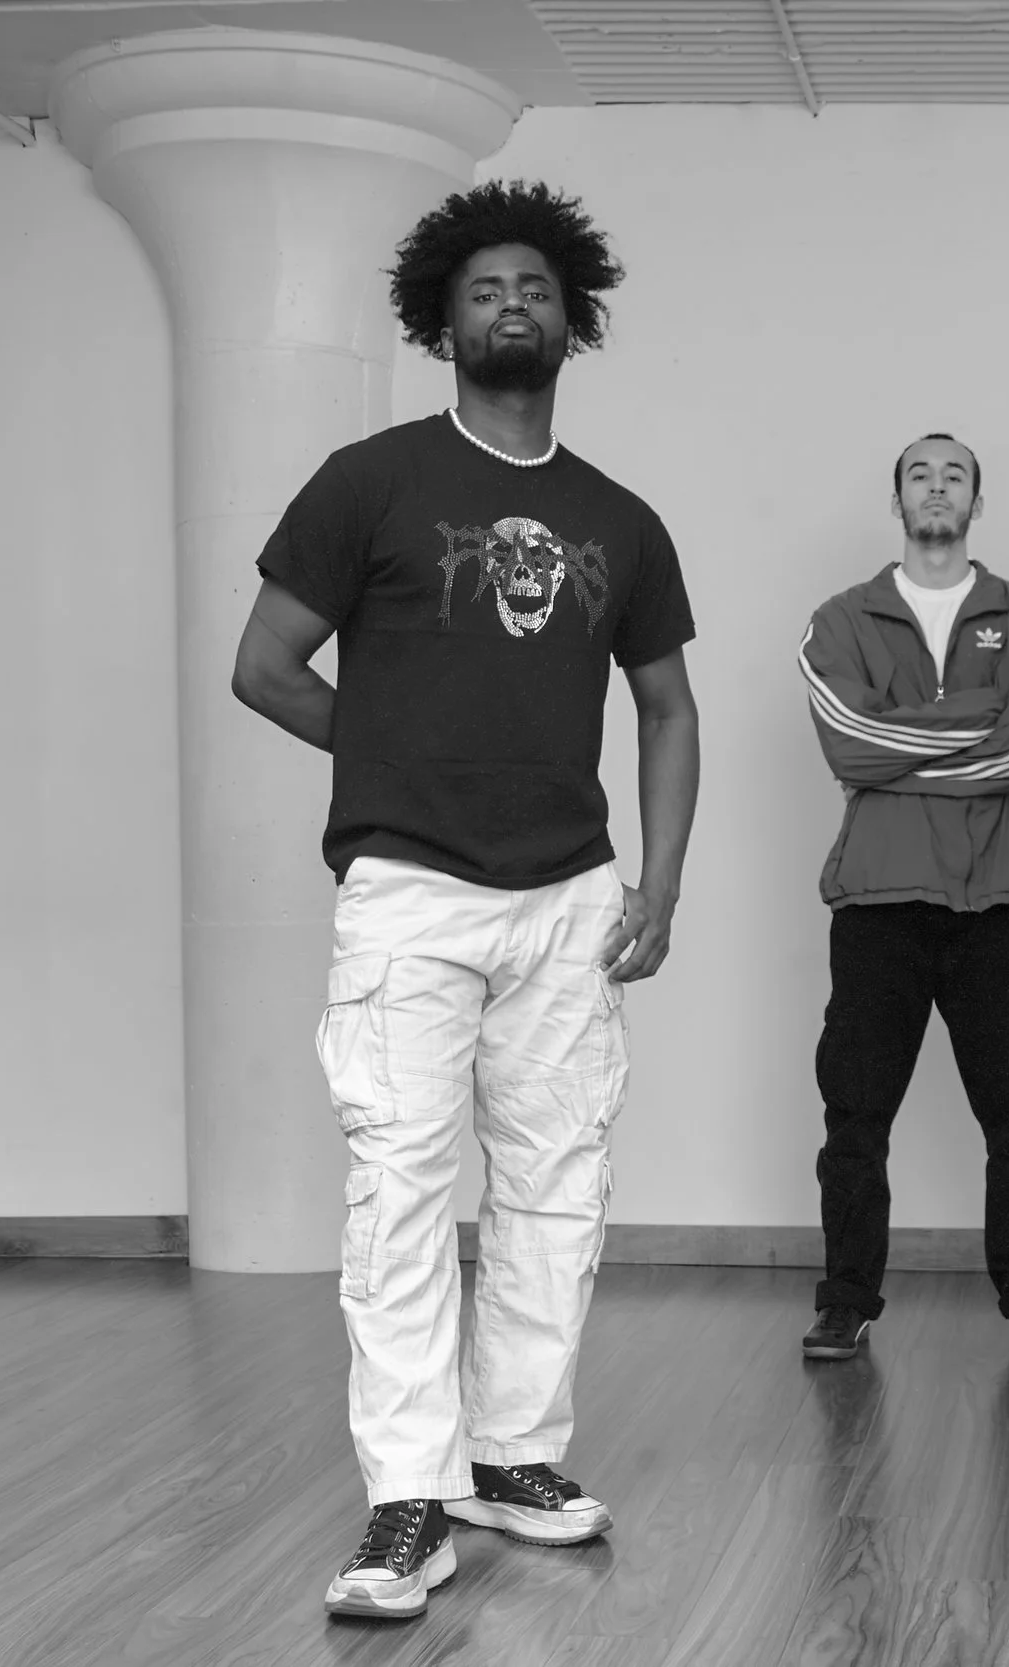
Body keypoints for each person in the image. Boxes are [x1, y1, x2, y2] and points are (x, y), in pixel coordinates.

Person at [230, 181, 701, 1620]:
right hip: (409, 893)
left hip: (570, 896)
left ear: (576, 320)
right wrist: (393, 757)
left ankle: (516, 1455)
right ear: (442, 318)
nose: (514, 305)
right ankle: (407, 1500)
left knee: (559, 1185)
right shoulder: (369, 480)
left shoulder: (619, 517)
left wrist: (662, 880)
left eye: (538, 289)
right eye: (487, 288)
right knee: (402, 1196)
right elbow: (264, 664)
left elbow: (671, 708)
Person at [795, 433, 1009, 1365]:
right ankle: (845, 1301)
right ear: (899, 502)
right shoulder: (841, 618)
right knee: (855, 1114)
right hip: (880, 896)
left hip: (997, 896)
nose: (938, 487)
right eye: (921, 474)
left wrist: (901, 741)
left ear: (976, 503)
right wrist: (967, 719)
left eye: (955, 475)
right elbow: (847, 747)